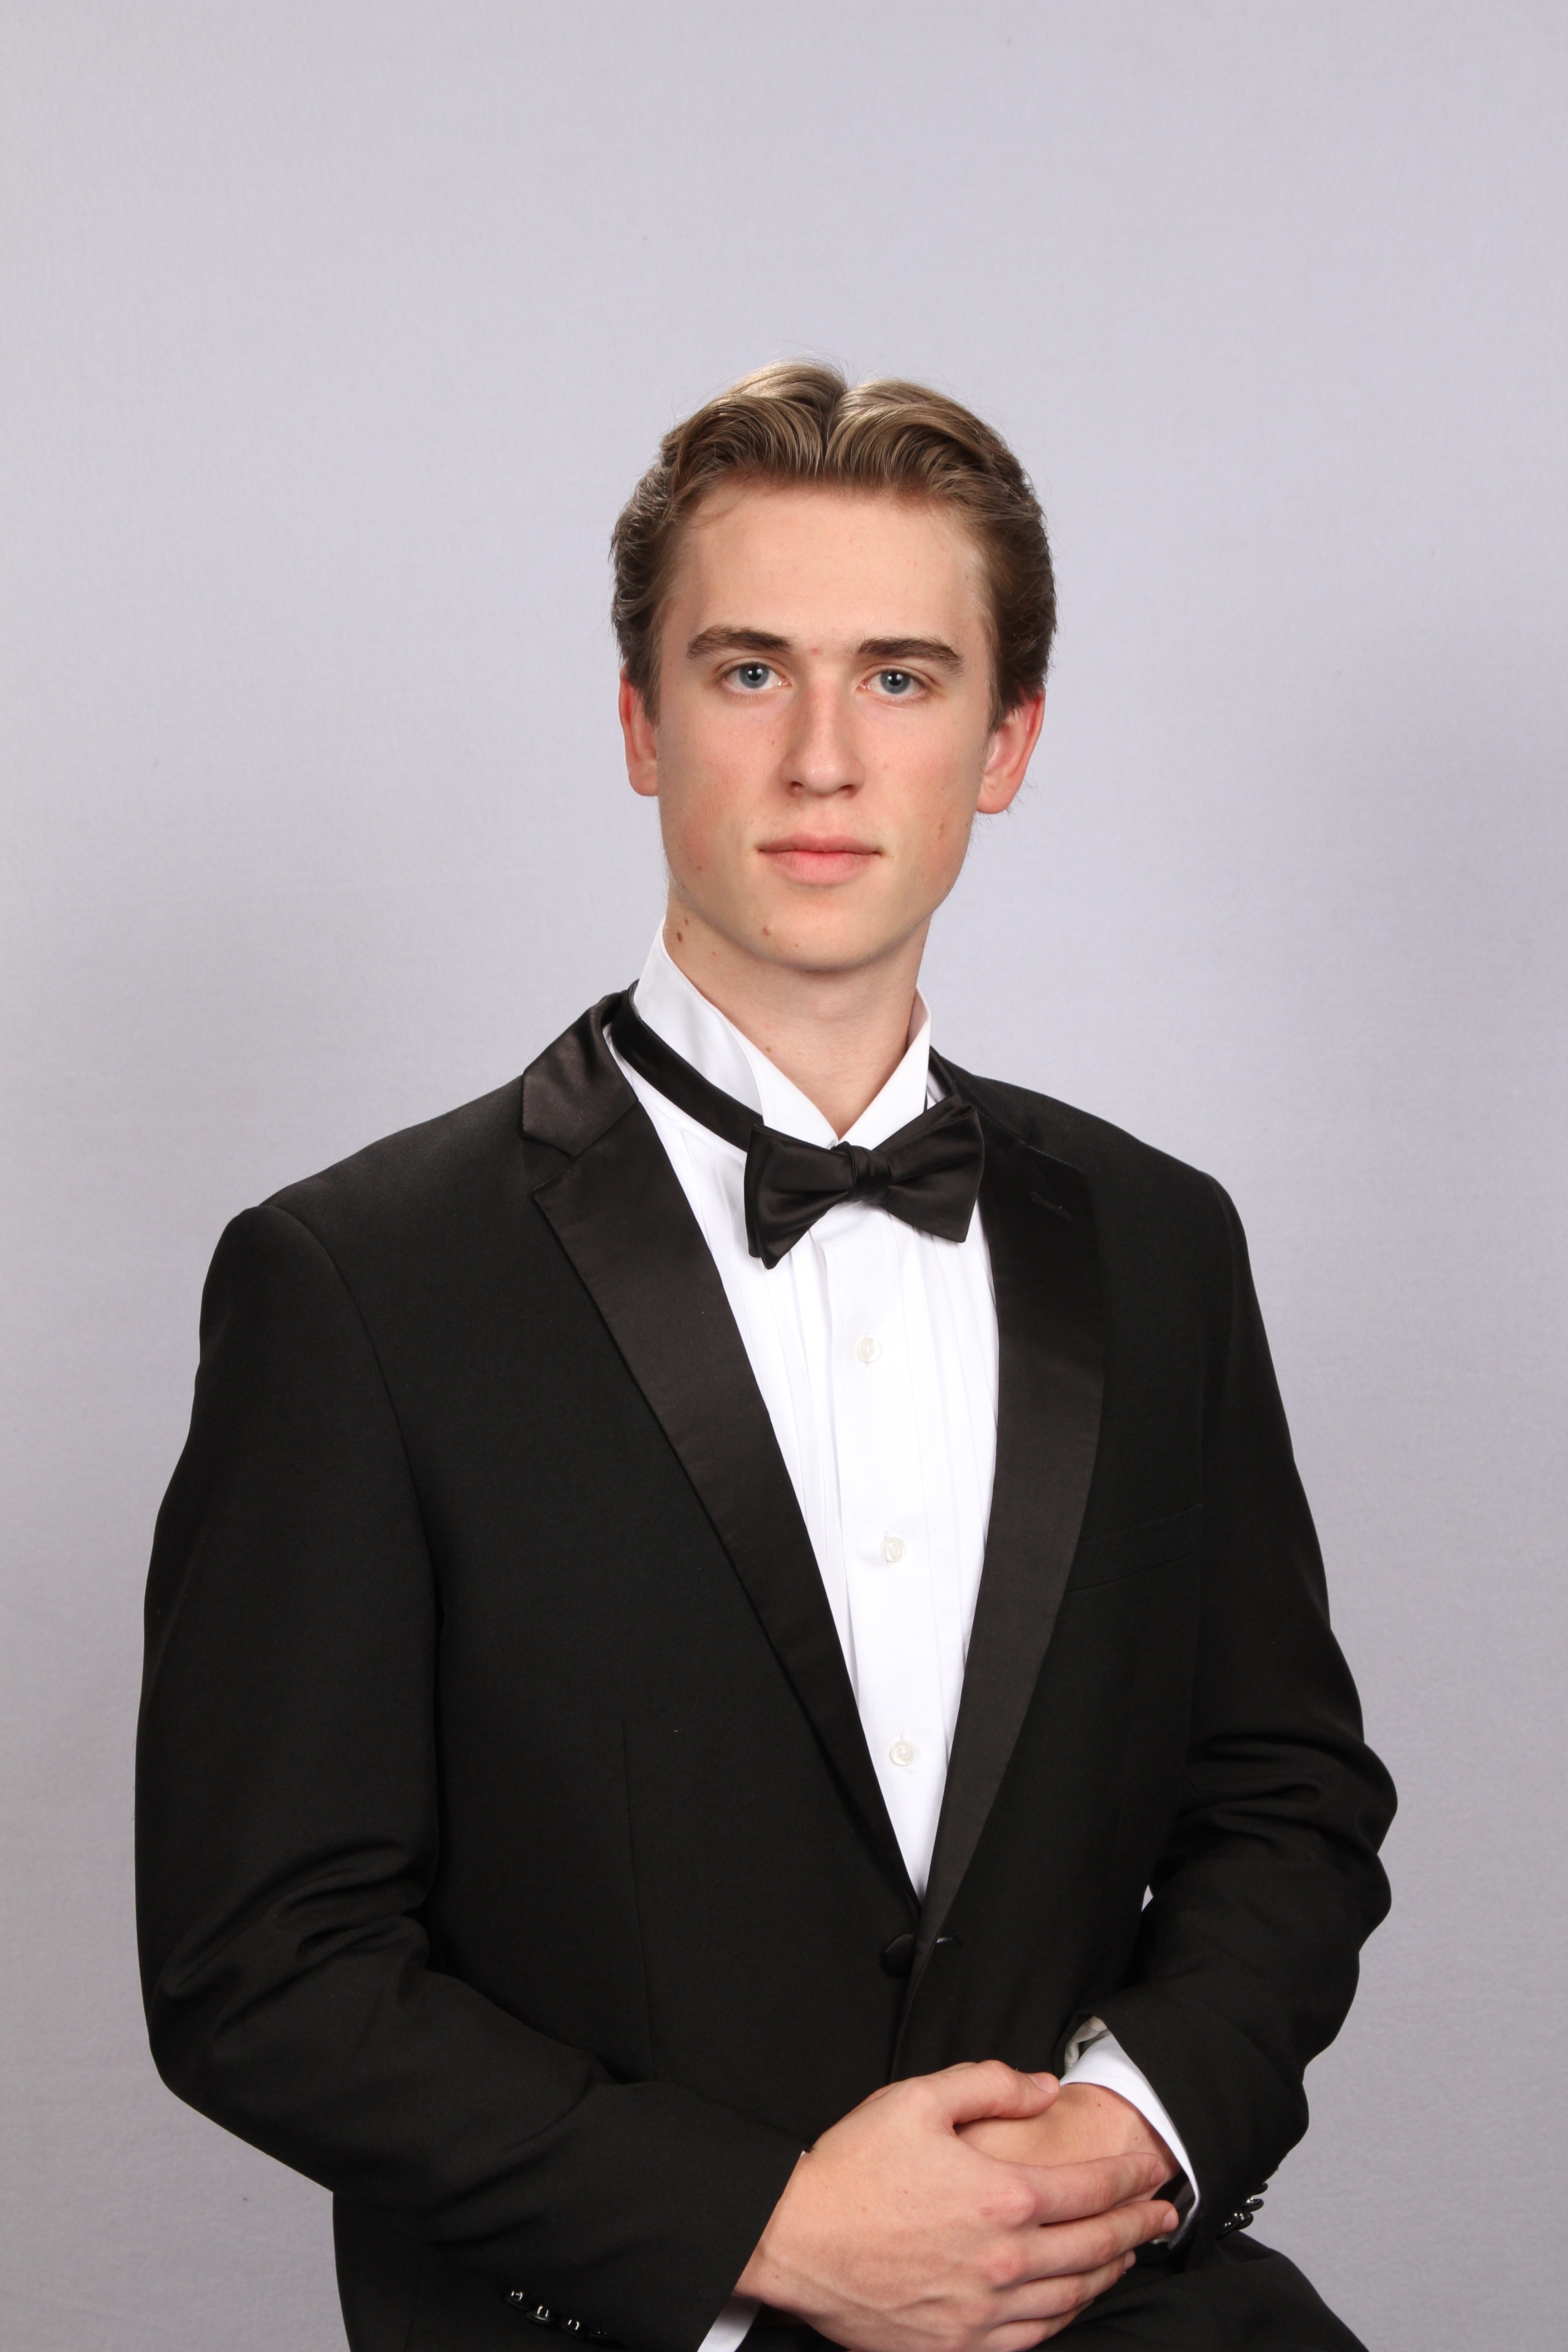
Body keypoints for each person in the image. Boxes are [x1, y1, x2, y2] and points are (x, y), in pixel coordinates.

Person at [136, 363, 1395, 2352]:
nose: (824, 757)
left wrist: (1132, 2130)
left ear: (1006, 741)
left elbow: (1287, 1800)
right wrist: (769, 2229)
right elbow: (261, 1965)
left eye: (901, 677)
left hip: (1108, 2312)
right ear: (643, 726)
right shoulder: (353, 1283)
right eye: (749, 673)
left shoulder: (1165, 1244)